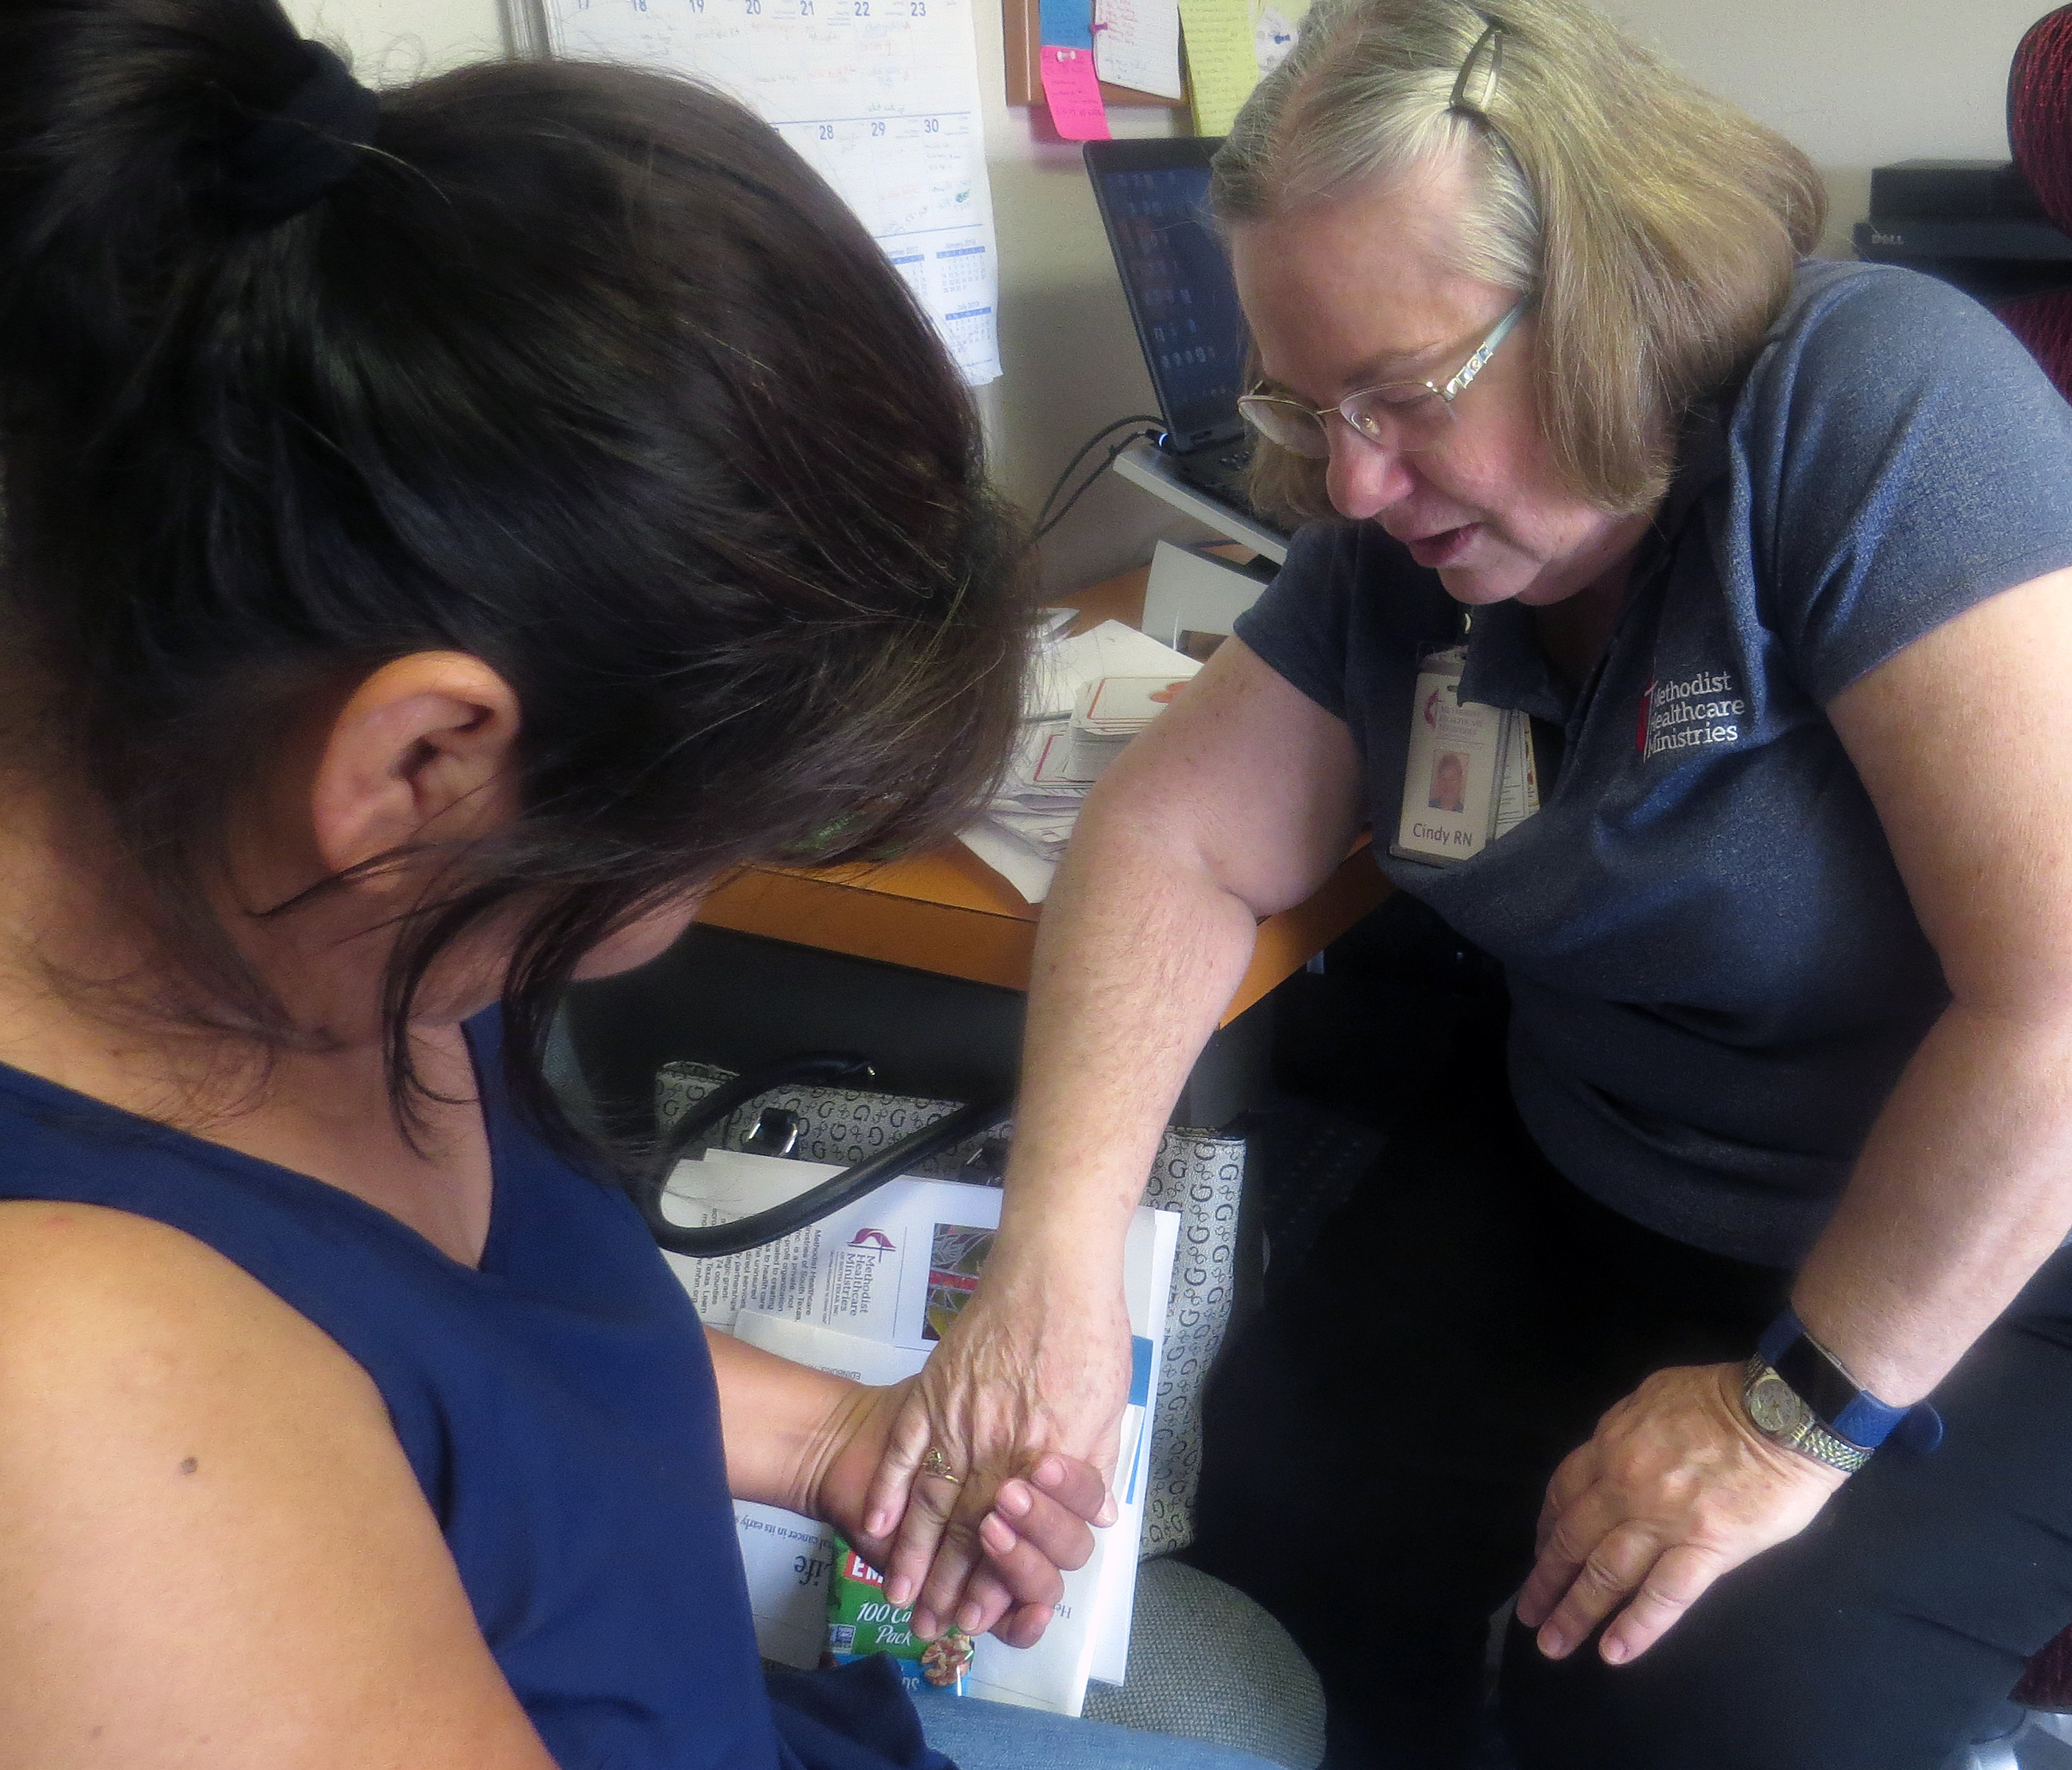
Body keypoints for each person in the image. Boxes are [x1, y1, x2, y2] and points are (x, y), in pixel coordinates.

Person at [0, 5, 1284, 1767]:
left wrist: (840, 1439)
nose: (683, 910)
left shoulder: (322, 934)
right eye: (708, 851)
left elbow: (507, 1388)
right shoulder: (84, 1412)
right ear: (422, 767)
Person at [856, 1, 2072, 1765]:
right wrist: (1058, 1264)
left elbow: (2053, 999)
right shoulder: (1405, 538)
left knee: (1703, 1701)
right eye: (1302, 402)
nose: (1350, 480)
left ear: (1614, 294)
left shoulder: (1876, 402)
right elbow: (1171, 834)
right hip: (1608, 1166)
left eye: (1407, 395)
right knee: (1276, 1504)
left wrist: (1782, 1426)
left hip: (1980, 1262)